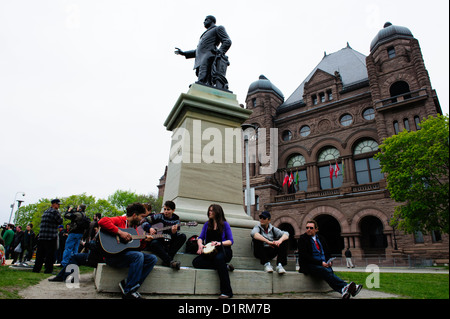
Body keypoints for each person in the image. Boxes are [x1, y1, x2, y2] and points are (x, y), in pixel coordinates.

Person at [98, 202, 158, 299]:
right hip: (112, 256)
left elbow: (136, 248)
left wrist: (145, 241)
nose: (142, 220)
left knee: (152, 259)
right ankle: (129, 291)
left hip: (125, 256)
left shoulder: (134, 229)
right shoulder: (120, 220)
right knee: (138, 256)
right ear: (134, 215)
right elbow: (102, 221)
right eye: (141, 217)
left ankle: (127, 283)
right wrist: (120, 232)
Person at [297, 220, 362, 299]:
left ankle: (343, 290)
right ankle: (347, 286)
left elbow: (327, 252)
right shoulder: (302, 239)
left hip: (323, 264)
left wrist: (329, 261)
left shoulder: (321, 238)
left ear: (316, 229)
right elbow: (305, 256)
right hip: (310, 265)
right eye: (307, 228)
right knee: (325, 271)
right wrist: (320, 263)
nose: (308, 229)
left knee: (328, 273)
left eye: (311, 228)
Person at [175, 15, 232, 89]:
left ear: (211, 20)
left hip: (209, 55)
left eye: (206, 20)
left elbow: (227, 41)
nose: (204, 22)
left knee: (203, 73)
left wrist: (220, 51)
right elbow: (199, 51)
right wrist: (184, 53)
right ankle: (203, 85)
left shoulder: (218, 28)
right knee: (203, 75)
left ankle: (200, 84)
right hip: (201, 57)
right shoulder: (204, 35)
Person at [192, 204, 234, 299]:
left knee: (219, 259)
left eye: (212, 211)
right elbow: (201, 237)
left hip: (223, 250)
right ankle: (225, 266)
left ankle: (227, 292)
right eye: (209, 210)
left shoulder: (225, 224)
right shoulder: (207, 224)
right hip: (210, 253)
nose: (209, 212)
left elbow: (231, 241)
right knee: (196, 262)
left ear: (217, 212)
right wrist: (200, 245)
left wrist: (219, 243)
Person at [142, 200, 186, 270]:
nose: (165, 211)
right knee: (154, 243)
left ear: (173, 210)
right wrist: (149, 228)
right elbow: (144, 221)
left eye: (168, 210)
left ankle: (168, 259)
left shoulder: (176, 220)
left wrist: (174, 232)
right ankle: (170, 261)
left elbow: (173, 237)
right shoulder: (159, 216)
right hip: (158, 241)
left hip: (168, 241)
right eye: (165, 209)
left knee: (183, 236)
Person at [33, 199, 64, 274]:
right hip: (50, 236)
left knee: (40, 255)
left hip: (42, 236)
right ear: (54, 204)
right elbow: (60, 221)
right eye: (58, 204)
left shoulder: (46, 211)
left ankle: (36, 269)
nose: (59, 206)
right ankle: (48, 270)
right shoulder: (55, 212)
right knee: (49, 255)